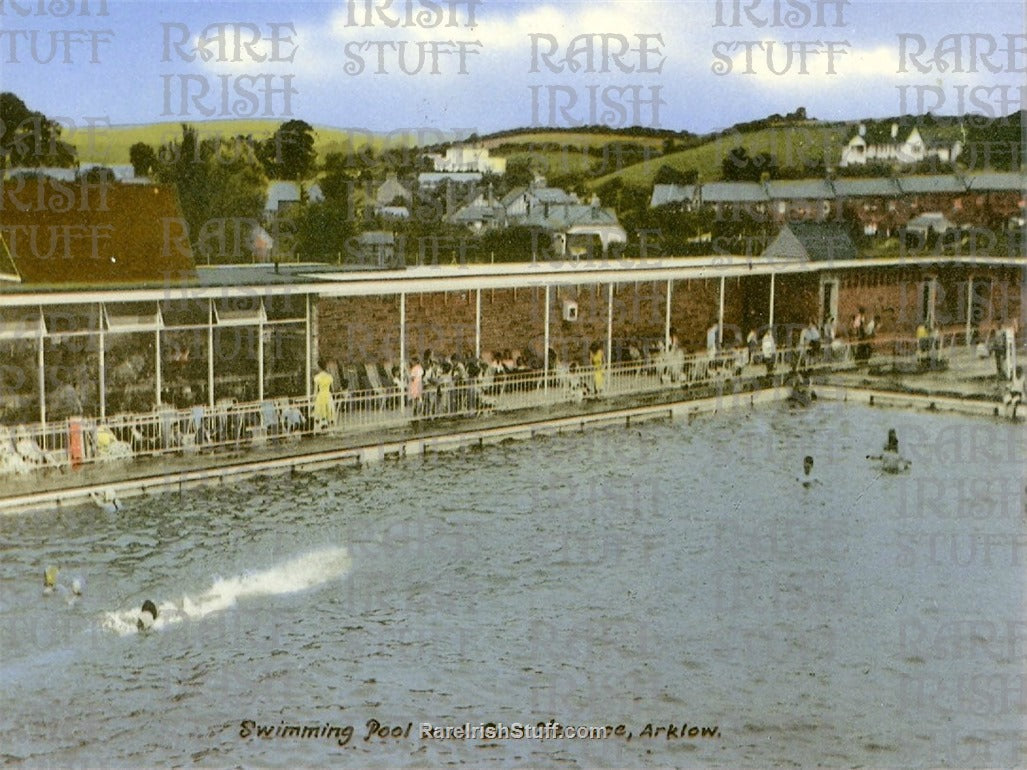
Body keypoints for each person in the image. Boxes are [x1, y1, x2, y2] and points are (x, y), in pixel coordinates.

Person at [312, 363, 335, 430]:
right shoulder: (329, 376)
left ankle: (322, 425)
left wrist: (314, 398)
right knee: (329, 409)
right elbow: (332, 388)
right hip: (328, 395)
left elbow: (315, 390)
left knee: (320, 410)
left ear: (319, 367)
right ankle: (330, 424)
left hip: (321, 395)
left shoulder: (317, 377)